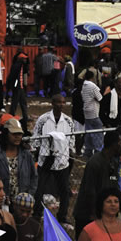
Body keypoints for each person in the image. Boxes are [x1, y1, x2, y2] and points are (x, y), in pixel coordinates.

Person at [73, 128, 121, 239]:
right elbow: (90, 191)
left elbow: (114, 185)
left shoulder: (113, 162)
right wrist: (95, 217)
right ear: (113, 144)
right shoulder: (95, 163)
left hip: (104, 214)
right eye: (120, 142)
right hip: (88, 215)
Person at [32, 94, 75, 224]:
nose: (61, 105)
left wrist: (69, 152)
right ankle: (36, 213)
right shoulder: (43, 119)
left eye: (63, 102)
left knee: (64, 190)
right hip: (45, 158)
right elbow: (36, 137)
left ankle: (62, 217)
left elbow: (72, 139)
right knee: (40, 188)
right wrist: (39, 150)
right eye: (58, 102)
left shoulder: (68, 121)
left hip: (62, 160)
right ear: (52, 103)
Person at [0, 118, 37, 208]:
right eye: (14, 134)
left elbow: (34, 176)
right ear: (6, 134)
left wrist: (29, 195)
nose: (17, 137)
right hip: (1, 202)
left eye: (19, 134)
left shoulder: (26, 154)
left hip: (21, 203)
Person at [81, 69, 104, 158]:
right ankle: (98, 153)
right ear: (92, 77)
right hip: (94, 112)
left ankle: (88, 152)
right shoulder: (93, 86)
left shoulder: (84, 85)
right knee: (98, 133)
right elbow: (100, 98)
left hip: (86, 112)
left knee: (89, 133)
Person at [6, 50, 29, 130]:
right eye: (24, 59)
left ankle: (24, 118)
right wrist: (13, 86)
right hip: (18, 87)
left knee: (21, 103)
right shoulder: (17, 66)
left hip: (20, 87)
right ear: (21, 59)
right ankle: (11, 117)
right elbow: (12, 77)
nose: (26, 60)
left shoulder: (21, 66)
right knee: (16, 103)